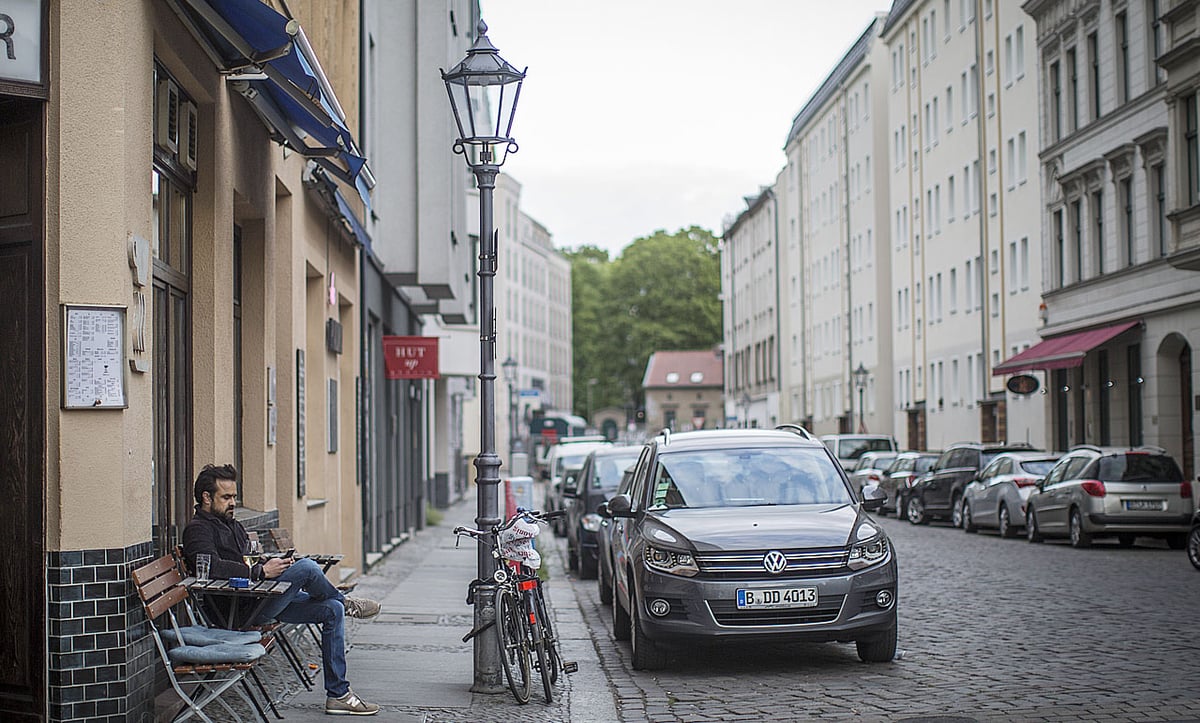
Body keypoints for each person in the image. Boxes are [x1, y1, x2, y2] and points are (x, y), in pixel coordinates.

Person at [182, 464, 382, 716]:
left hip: (260, 597)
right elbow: (211, 567)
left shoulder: (231, 523)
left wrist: (267, 563)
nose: (233, 502)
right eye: (226, 497)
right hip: (237, 612)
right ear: (206, 497)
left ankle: (338, 694)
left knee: (331, 611)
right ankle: (345, 601)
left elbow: (247, 558)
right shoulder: (198, 529)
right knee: (308, 568)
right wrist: (261, 572)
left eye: (234, 496)